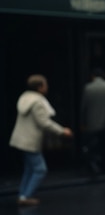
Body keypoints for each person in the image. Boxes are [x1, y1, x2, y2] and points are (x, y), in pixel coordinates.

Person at [9, 74, 73, 206]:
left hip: (21, 139)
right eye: (45, 84)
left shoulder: (25, 98)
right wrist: (62, 131)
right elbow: (44, 122)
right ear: (39, 87)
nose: (47, 87)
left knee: (29, 169)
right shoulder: (38, 102)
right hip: (30, 140)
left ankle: (23, 194)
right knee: (40, 169)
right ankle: (26, 196)